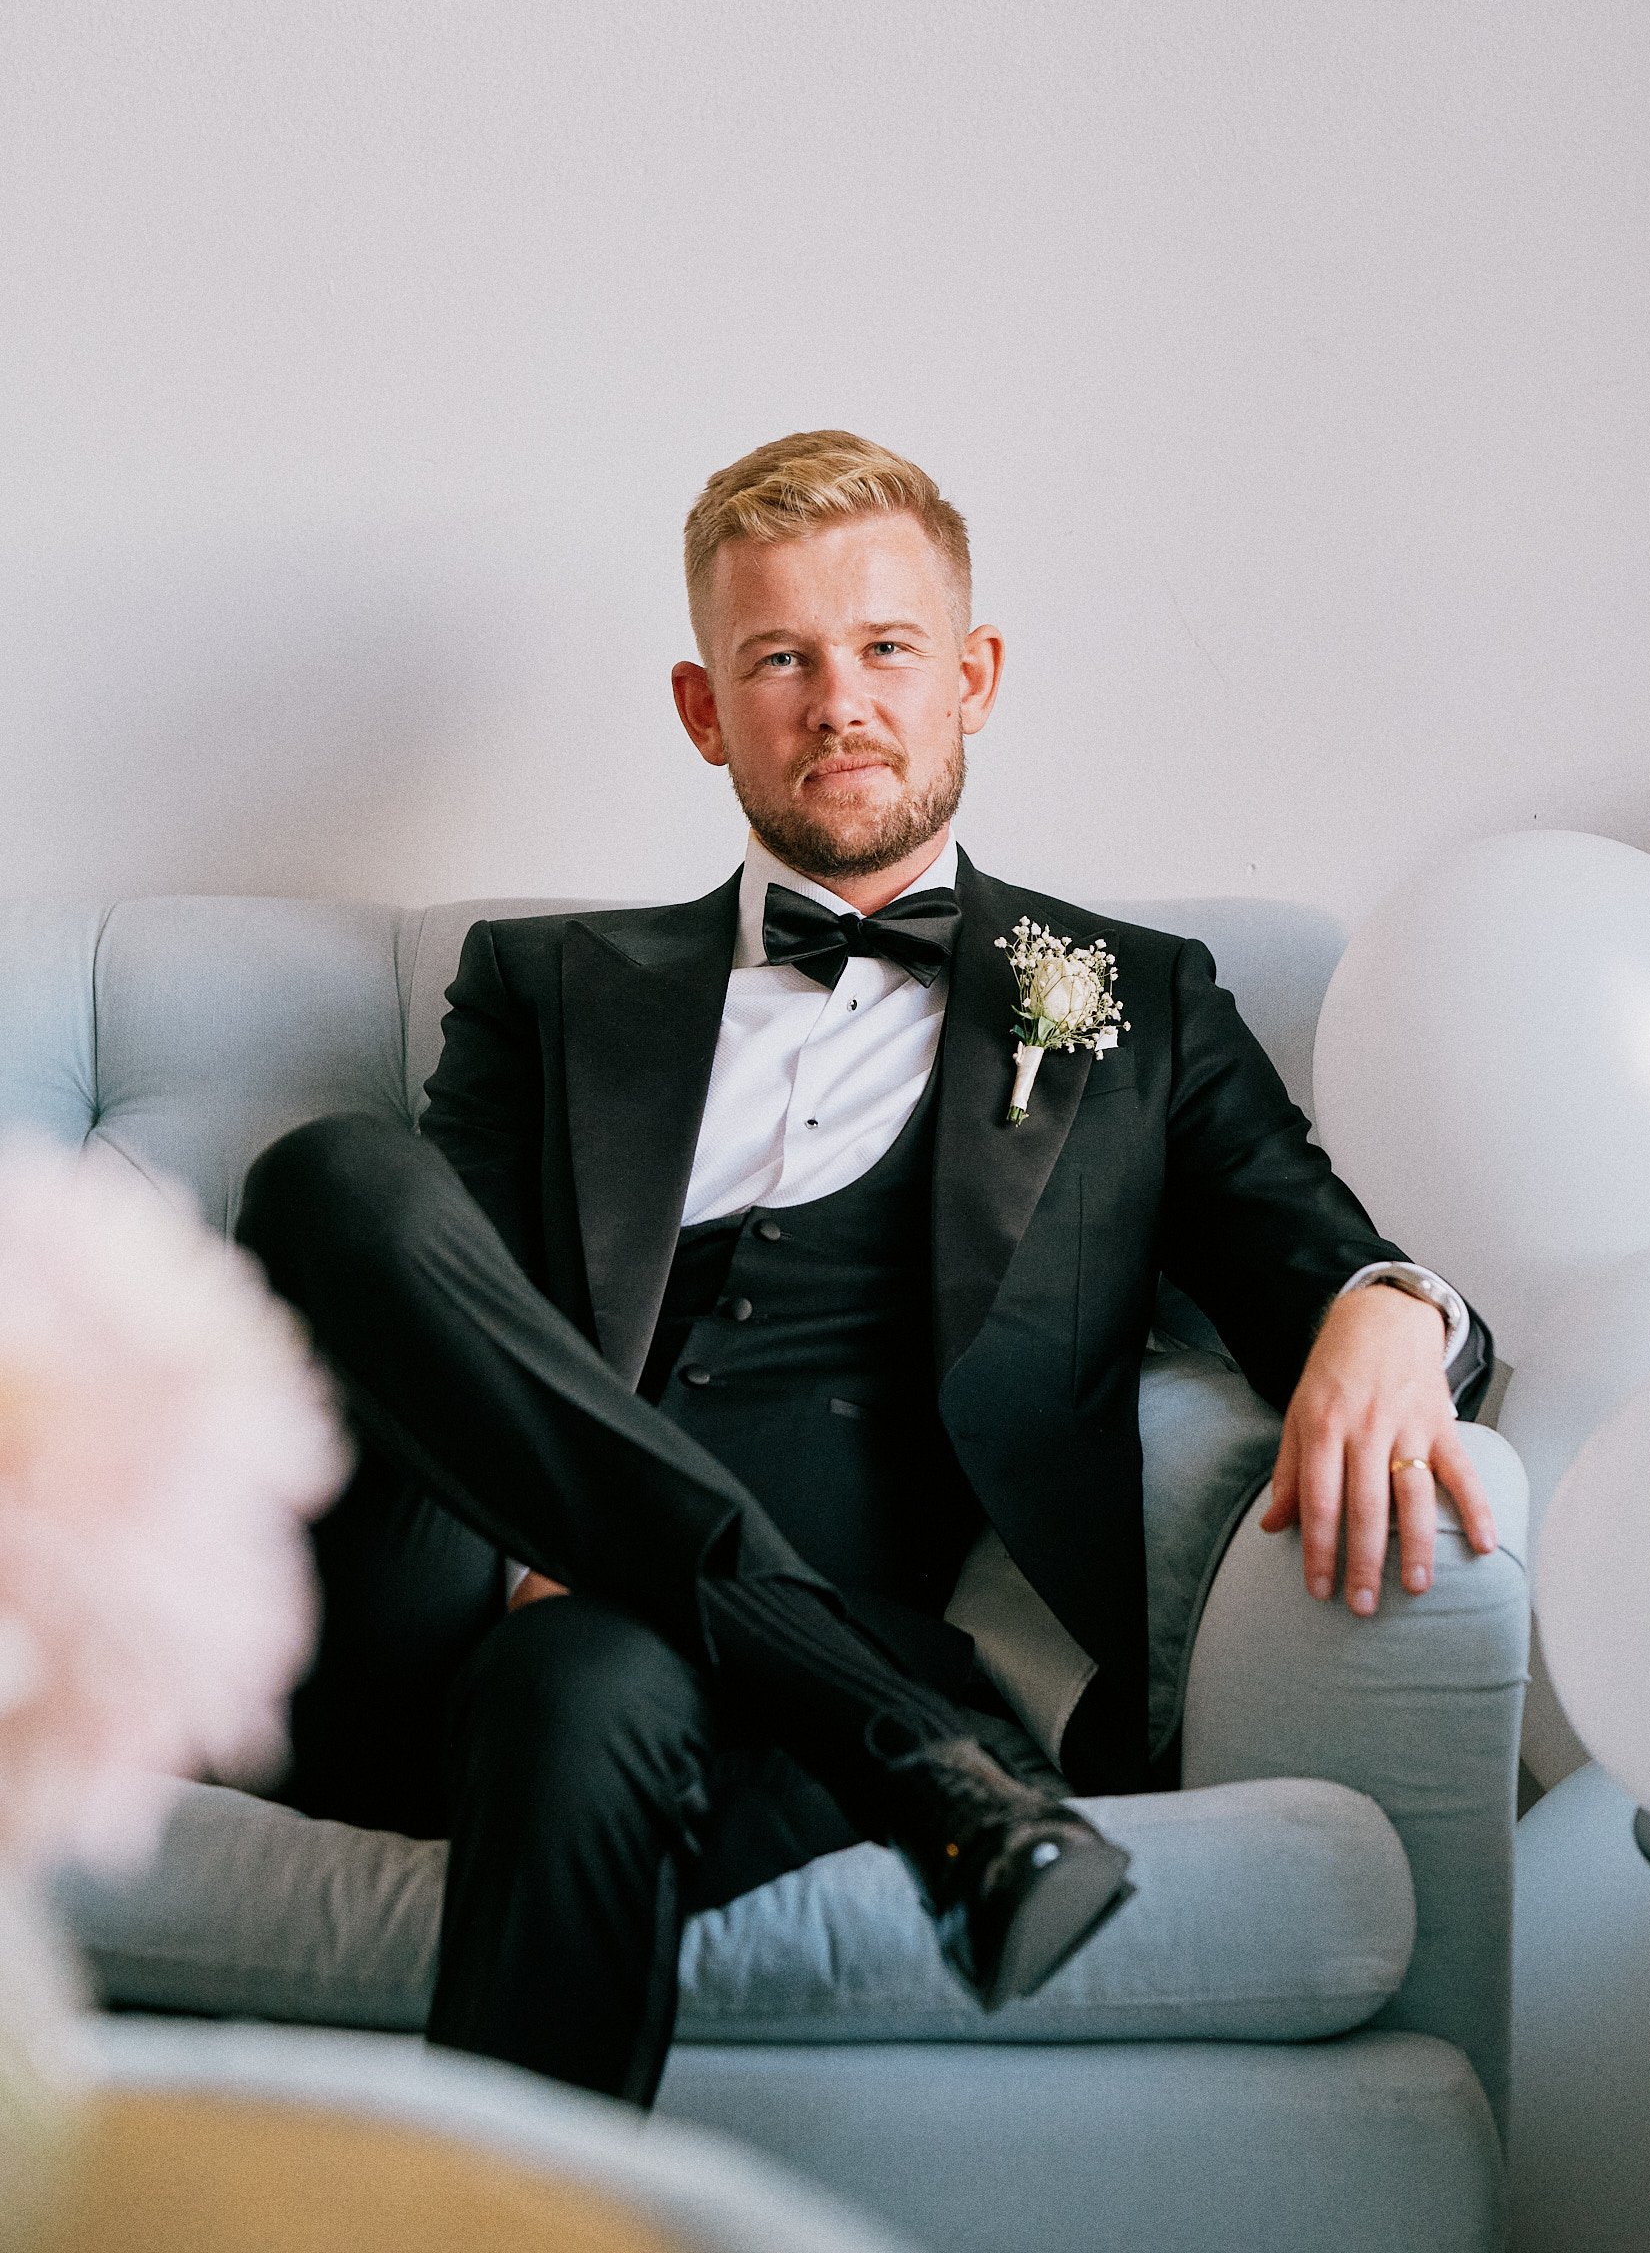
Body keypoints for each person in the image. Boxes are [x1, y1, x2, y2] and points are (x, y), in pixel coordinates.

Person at [237, 428, 1496, 2108]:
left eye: (888, 648)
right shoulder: (544, 987)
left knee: (586, 1686)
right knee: (324, 1180)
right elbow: (443, 1324)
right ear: (705, 710)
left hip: (800, 1646)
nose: (840, 703)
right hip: (481, 1598)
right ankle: (906, 1758)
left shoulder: (1131, 999)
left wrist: (1393, 1313)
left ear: (972, 678)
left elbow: (1308, 1252)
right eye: (781, 660)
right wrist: (547, 1541)